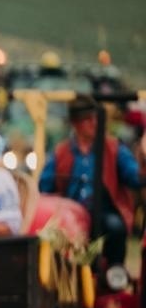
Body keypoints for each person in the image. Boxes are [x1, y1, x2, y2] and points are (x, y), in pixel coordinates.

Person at [39, 94, 140, 266]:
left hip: (104, 211)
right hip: (70, 212)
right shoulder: (61, 152)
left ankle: (115, 273)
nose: (94, 123)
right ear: (74, 124)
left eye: (95, 118)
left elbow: (134, 177)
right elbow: (44, 187)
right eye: (87, 120)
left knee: (115, 227)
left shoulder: (114, 148)